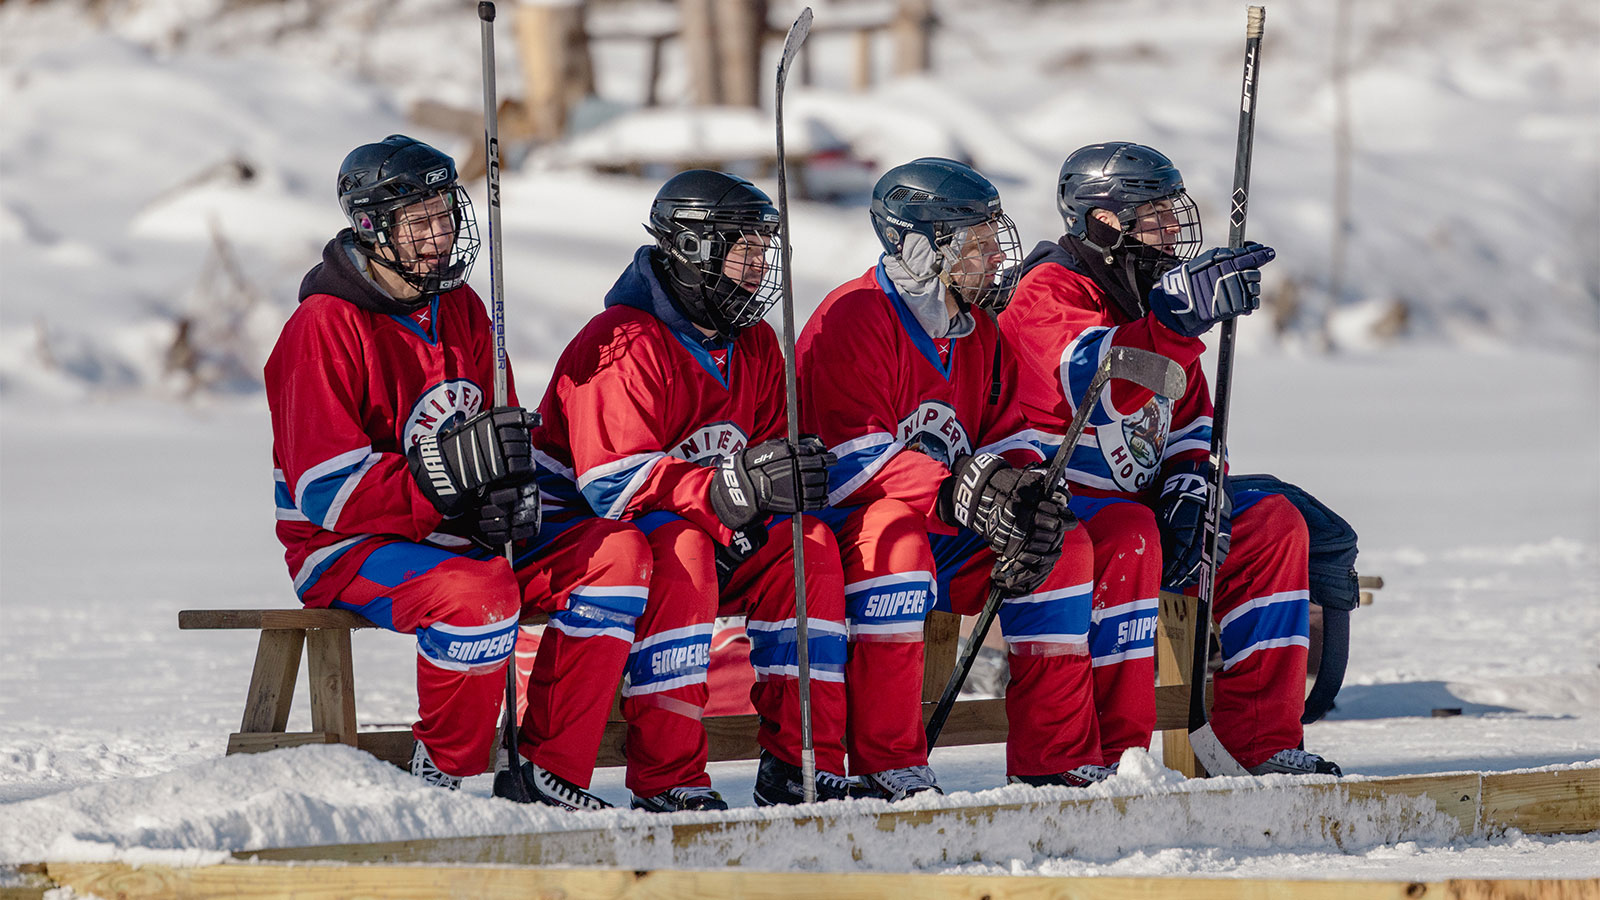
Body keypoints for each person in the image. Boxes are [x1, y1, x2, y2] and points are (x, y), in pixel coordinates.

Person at [264, 135, 654, 804]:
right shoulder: (323, 327)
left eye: (444, 214)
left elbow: (495, 435)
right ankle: (443, 777)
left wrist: (508, 494)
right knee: (480, 596)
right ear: (371, 227)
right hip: (346, 546)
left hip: (451, 534)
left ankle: (549, 771)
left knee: (618, 553)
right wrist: (444, 486)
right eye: (418, 221)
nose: (438, 235)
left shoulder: (465, 306)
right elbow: (324, 491)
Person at [998, 141, 1340, 776]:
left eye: (1171, 208)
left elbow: (1193, 418)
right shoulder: (1046, 290)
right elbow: (1102, 379)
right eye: (1154, 210)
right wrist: (1176, 323)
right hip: (1067, 505)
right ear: (1105, 218)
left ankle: (1257, 746)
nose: (1173, 224)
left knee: (1274, 526)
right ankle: (1112, 758)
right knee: (1131, 539)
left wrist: (1192, 483)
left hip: (1144, 499)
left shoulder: (1143, 292)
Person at [530, 170, 848, 810]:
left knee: (805, 545)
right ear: (694, 248)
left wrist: (778, 486)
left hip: (703, 532)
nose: (760, 267)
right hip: (586, 544)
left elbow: (761, 458)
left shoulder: (754, 341)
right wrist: (730, 494)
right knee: (681, 550)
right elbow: (611, 484)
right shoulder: (622, 340)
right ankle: (668, 776)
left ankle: (801, 760)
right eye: (744, 249)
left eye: (765, 250)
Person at [796, 157, 1109, 799]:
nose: (997, 256)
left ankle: (1054, 759)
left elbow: (1009, 430)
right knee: (896, 537)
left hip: (949, 526)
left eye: (995, 239)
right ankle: (889, 761)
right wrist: (956, 490)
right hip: (857, 537)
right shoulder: (855, 317)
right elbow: (850, 458)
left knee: (1064, 548)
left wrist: (1023, 491)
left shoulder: (977, 327)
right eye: (978, 242)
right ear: (922, 243)